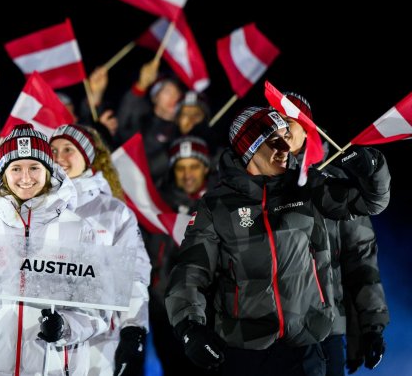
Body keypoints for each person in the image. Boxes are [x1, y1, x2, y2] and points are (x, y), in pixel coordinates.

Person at [165, 107, 391, 376]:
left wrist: (372, 167)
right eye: (273, 140)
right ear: (249, 150)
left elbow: (371, 202)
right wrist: (190, 328)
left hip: (306, 344)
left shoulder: (308, 185)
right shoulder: (216, 206)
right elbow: (191, 272)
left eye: (286, 135)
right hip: (245, 352)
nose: (286, 146)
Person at [0, 124, 111, 375]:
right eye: (16, 168)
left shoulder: (78, 230)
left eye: (34, 167)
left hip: (54, 367)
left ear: (48, 170)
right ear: (3, 174)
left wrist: (64, 326)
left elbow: (99, 309)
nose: (25, 177)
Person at [279, 92, 388, 376]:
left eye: (289, 124)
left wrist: (371, 326)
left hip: (328, 328)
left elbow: (360, 257)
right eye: (274, 123)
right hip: (270, 333)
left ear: (308, 131)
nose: (281, 132)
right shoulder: (256, 182)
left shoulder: (333, 183)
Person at [50, 124, 151, 376]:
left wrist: (133, 329)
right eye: (52, 150)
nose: (59, 157)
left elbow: (133, 274)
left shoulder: (113, 212)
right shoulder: (37, 207)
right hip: (45, 335)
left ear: (86, 158)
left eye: (68, 150)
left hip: (98, 338)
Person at [149, 136, 217, 376]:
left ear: (206, 168)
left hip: (208, 315)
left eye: (194, 166)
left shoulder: (219, 203)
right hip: (164, 313)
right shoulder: (156, 204)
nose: (188, 174)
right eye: (181, 167)